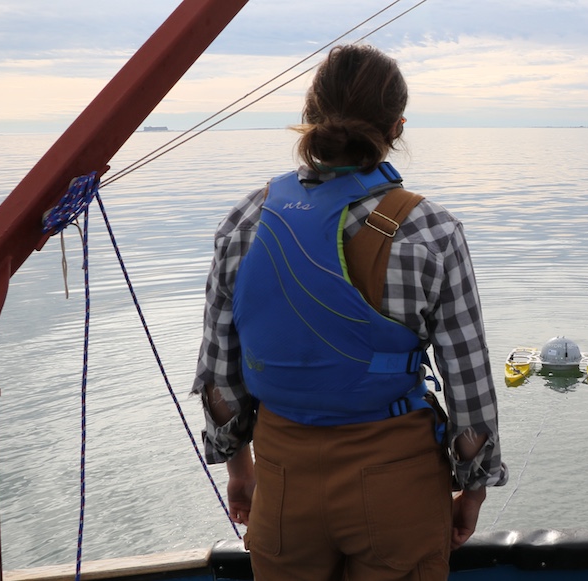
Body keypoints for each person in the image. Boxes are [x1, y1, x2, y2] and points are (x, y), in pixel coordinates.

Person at [192, 44, 507, 581]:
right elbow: (468, 383)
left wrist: (239, 468)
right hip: (396, 483)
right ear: (398, 126)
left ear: (310, 117)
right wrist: (472, 489)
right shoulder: (430, 230)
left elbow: (220, 372)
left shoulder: (246, 220)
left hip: (282, 477)